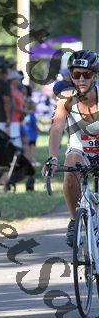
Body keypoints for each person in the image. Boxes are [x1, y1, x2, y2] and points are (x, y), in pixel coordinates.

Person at [43, 49, 99, 246]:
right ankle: (74, 220)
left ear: (95, 76)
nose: (81, 79)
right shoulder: (65, 99)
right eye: (76, 74)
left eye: (87, 74)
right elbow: (57, 128)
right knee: (71, 165)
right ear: (71, 77)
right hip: (80, 151)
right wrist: (52, 157)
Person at [8, 70, 25, 149]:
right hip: (13, 120)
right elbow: (13, 106)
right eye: (18, 79)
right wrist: (26, 111)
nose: (19, 80)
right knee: (16, 143)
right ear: (13, 80)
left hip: (19, 120)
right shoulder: (10, 90)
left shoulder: (16, 90)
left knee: (23, 141)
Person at [23, 100, 39, 165]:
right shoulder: (32, 115)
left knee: (27, 149)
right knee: (33, 148)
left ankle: (27, 162)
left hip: (27, 134)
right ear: (33, 107)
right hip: (32, 135)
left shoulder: (26, 115)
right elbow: (35, 126)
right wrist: (40, 130)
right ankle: (34, 161)